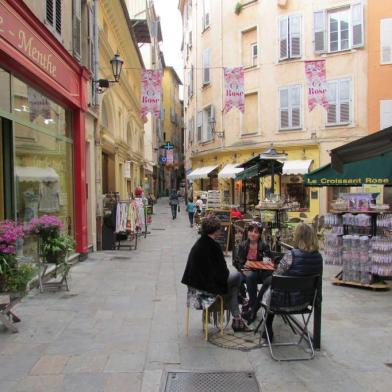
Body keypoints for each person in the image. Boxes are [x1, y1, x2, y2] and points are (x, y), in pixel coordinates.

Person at [181, 215, 251, 332]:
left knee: (233, 288)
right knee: (238, 276)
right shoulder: (214, 247)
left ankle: (238, 316)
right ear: (216, 231)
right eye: (219, 229)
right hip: (206, 289)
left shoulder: (199, 244)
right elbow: (223, 274)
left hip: (194, 289)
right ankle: (242, 302)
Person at [258, 223, 323, 341]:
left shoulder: (291, 255)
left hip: (283, 302)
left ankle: (265, 322)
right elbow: (318, 283)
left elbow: (277, 275)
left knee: (272, 284)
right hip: (304, 302)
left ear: (298, 236)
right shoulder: (318, 257)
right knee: (273, 284)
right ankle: (254, 309)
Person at [233, 221, 272, 323]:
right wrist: (242, 268)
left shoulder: (264, 246)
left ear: (259, 234)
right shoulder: (243, 245)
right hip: (245, 271)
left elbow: (267, 263)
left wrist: (260, 263)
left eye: (256, 232)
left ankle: (252, 304)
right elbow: (237, 262)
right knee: (235, 277)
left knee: (251, 276)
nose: (252, 234)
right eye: (251, 231)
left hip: (260, 273)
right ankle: (246, 301)